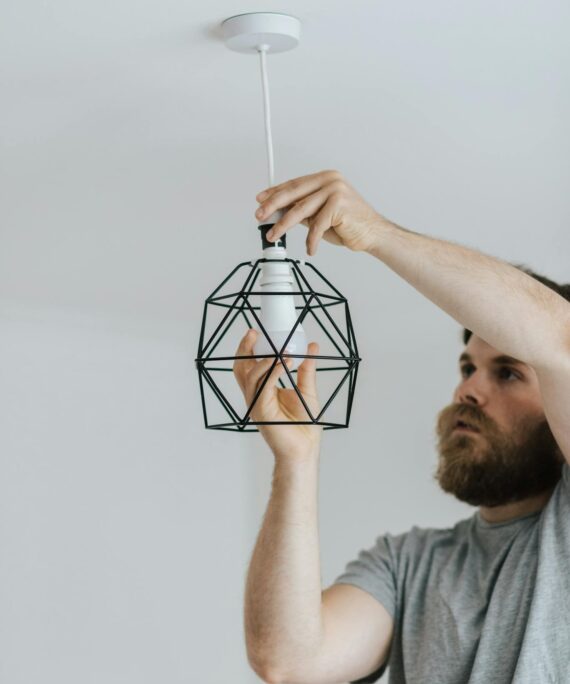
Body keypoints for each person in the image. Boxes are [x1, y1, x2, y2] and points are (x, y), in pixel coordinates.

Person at [232, 170, 570, 684]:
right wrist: (294, 460)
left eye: (507, 372)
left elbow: (560, 337)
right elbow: (290, 660)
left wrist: (376, 233)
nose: (468, 391)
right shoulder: (407, 563)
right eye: (466, 369)